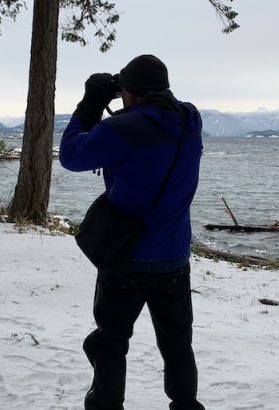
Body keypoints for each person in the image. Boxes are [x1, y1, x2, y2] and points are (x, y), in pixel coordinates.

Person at [59, 54, 206, 410]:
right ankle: (185, 406)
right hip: (173, 256)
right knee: (176, 343)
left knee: (110, 342)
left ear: (130, 92)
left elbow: (70, 155)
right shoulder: (190, 119)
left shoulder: (122, 128)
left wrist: (92, 101)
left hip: (127, 257)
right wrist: (127, 90)